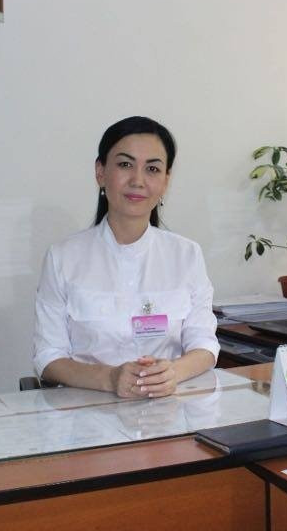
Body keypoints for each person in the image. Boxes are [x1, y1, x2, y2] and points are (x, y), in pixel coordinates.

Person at [33, 116, 219, 399]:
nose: (138, 180)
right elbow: (48, 357)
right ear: (100, 172)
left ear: (166, 181)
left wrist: (171, 373)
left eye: (152, 169)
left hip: (169, 409)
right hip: (87, 411)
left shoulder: (187, 256)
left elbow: (204, 344)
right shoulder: (63, 258)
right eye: (125, 165)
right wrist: (110, 378)